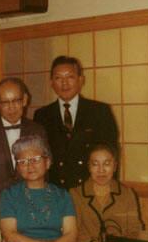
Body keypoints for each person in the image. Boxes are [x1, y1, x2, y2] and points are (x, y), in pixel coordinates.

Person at [0, 135, 84, 242]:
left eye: (35, 159)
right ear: (17, 167)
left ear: (48, 162)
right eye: (22, 161)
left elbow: (71, 234)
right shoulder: (9, 195)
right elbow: (10, 235)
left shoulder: (62, 195)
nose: (29, 165)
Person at [71, 143, 148, 242]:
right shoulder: (76, 194)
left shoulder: (127, 193)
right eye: (95, 164)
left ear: (115, 166)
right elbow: (75, 231)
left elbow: (136, 228)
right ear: (89, 167)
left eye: (107, 164)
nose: (101, 170)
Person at [33, 56, 118, 190]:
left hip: (90, 190)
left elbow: (111, 154)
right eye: (58, 78)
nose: (64, 83)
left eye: (70, 77)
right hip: (55, 191)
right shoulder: (42, 115)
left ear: (80, 80)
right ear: (51, 82)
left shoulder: (99, 111)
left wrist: (109, 190)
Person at [0, 77, 47, 200]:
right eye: (5, 102)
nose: (11, 107)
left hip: (31, 201)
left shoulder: (38, 130)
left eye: (16, 101)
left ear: (24, 100)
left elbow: (45, 169)